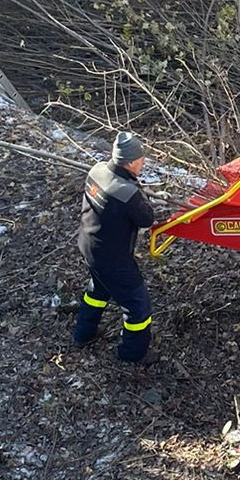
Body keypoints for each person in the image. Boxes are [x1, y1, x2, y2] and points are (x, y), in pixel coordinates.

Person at [74, 131, 156, 362]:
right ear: (130, 162)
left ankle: (84, 333)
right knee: (138, 306)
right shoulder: (126, 192)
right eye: (141, 160)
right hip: (113, 258)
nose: (143, 163)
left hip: (89, 244)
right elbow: (146, 219)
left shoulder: (97, 170)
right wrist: (141, 195)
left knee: (98, 291)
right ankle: (132, 354)